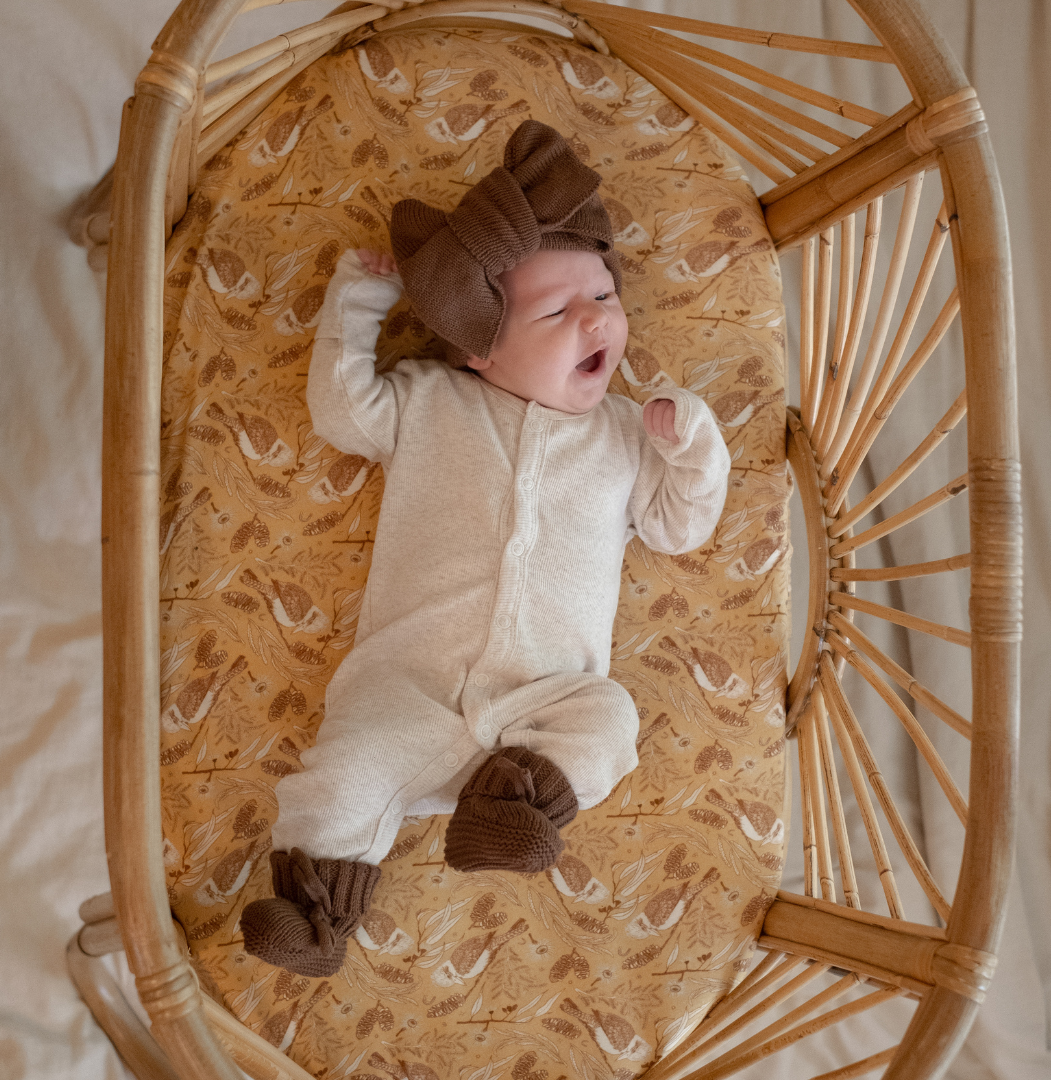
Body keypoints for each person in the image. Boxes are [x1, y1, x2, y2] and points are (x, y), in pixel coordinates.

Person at [240, 120, 730, 977]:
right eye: (557, 311)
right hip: (407, 693)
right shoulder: (431, 404)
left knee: (612, 723)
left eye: (604, 299)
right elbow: (342, 408)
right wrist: (357, 301)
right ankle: (315, 913)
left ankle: (514, 803)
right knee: (339, 778)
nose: (594, 320)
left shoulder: (625, 436)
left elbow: (680, 525)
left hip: (546, 704)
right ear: (480, 351)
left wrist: (695, 446)